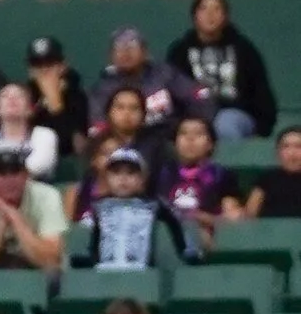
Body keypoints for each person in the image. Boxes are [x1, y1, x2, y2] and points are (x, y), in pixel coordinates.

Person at [166, 0, 278, 143]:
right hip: (194, 117)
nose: (210, 15)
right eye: (204, 9)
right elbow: (171, 92)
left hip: (235, 114)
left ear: (225, 16)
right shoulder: (180, 51)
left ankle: (225, 167)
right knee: (191, 131)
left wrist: (263, 127)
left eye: (217, 9)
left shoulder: (243, 49)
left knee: (225, 124)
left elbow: (260, 90)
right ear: (195, 16)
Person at [71, 143, 191, 272]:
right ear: (107, 178)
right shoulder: (99, 208)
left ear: (141, 179)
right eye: (116, 173)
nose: (123, 179)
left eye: (130, 173)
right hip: (105, 272)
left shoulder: (153, 206)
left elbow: (176, 224)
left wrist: (185, 249)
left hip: (142, 271)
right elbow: (92, 239)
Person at [0, 141, 66, 271]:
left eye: (15, 172)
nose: (9, 180)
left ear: (26, 174)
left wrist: (14, 216)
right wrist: (1, 223)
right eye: (1, 172)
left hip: (42, 282)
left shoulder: (47, 196)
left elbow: (50, 260)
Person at [160, 113, 230, 241]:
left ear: (210, 144)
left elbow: (233, 219)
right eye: (183, 133)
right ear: (175, 143)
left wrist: (201, 218)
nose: (190, 139)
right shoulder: (162, 174)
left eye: (198, 134)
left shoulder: (221, 175)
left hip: (207, 235)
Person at [0, 79, 58, 180]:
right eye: (5, 96)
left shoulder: (44, 135)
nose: (12, 99)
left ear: (30, 109)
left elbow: (38, 166)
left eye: (19, 96)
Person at [246, 123, 301, 222]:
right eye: (286, 147)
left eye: (298, 147)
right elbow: (250, 215)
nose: (292, 153)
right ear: (278, 152)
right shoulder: (266, 179)